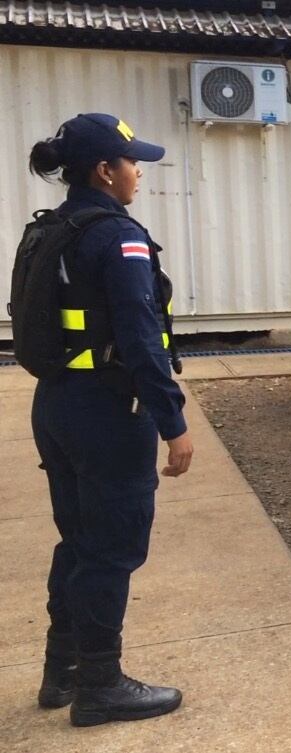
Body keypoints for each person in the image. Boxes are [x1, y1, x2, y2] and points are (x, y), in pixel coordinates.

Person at [25, 114, 192, 726]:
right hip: (107, 412)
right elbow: (141, 337)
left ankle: (62, 671)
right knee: (111, 549)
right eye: (131, 162)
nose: (138, 171)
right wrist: (172, 421)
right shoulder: (117, 236)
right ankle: (101, 685)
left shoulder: (56, 229)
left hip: (58, 405)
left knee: (79, 539)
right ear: (104, 170)